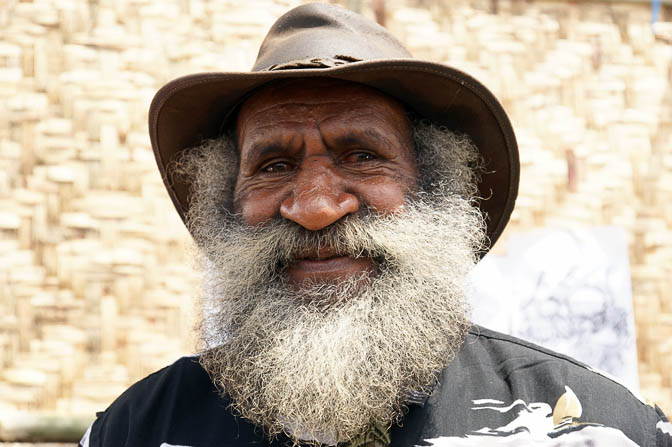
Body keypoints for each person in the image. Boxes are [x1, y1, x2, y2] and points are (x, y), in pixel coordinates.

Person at [79, 3, 671, 446]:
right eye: (274, 165)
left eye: (361, 156)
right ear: (229, 207)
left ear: (434, 192)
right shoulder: (138, 430)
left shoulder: (589, 426)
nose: (314, 207)